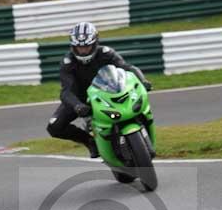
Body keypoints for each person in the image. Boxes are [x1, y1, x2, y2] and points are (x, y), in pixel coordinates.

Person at [47, 21, 153, 158]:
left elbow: (127, 68)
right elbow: (66, 91)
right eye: (79, 48)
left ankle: (144, 133)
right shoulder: (68, 63)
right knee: (54, 127)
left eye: (87, 46)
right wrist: (77, 105)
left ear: (95, 43)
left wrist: (143, 81)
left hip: (108, 91)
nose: (83, 50)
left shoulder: (106, 53)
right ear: (73, 47)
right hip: (81, 99)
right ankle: (90, 141)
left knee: (136, 104)